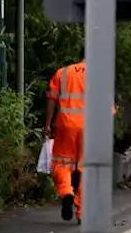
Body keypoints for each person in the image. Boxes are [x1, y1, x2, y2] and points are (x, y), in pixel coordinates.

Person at [43, 61, 115, 224]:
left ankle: (67, 192)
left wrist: (48, 124)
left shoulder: (63, 72)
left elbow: (52, 98)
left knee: (61, 163)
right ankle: (82, 213)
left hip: (65, 125)